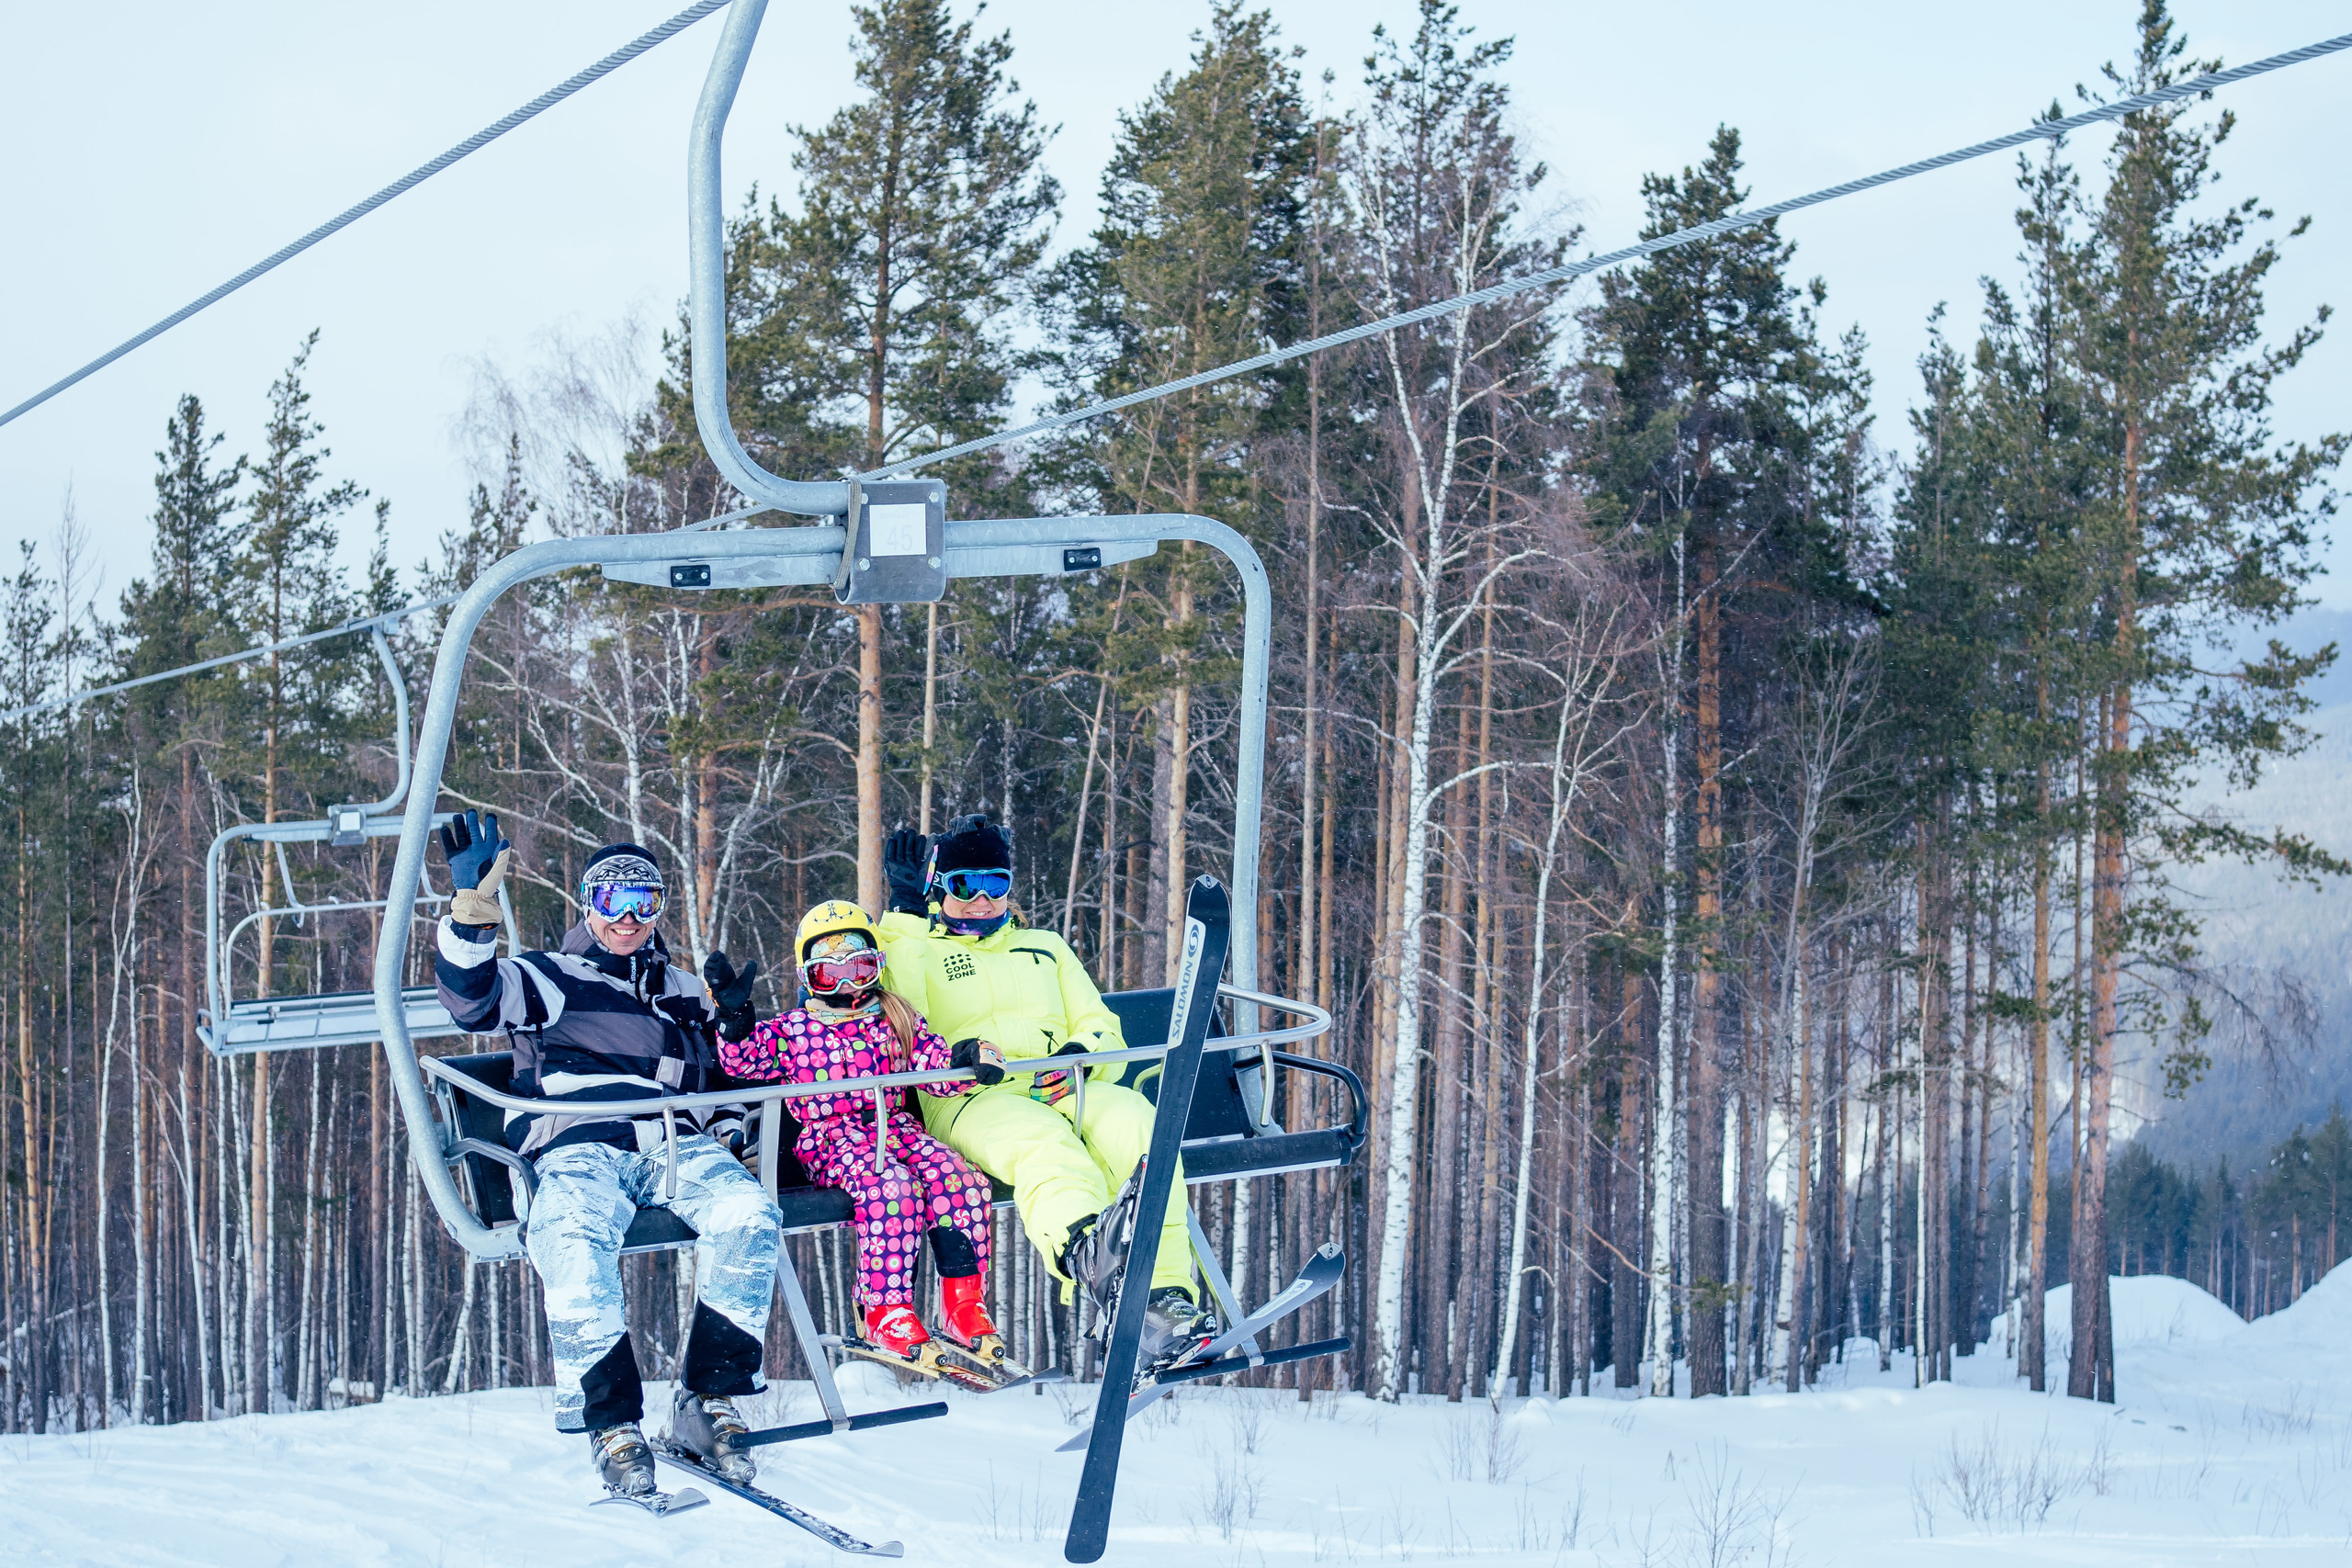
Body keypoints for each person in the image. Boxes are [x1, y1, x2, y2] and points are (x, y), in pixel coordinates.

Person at [433, 812, 778, 1499]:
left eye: (642, 901)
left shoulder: (683, 990)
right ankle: (613, 1424)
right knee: (568, 1231)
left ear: (658, 909)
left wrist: (735, 1110)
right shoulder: (549, 976)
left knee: (750, 1211)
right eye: (612, 900)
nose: (627, 916)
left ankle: (707, 1400)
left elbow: (723, 1077)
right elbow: (470, 1003)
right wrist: (472, 912)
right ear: (588, 905)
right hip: (579, 1147)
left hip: (673, 1143)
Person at [875, 812, 1215, 1371]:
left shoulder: (1045, 946)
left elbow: (1099, 1022)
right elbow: (903, 1019)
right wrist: (905, 913)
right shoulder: (918, 949)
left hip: (1065, 1090)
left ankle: (1165, 1301)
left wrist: (1082, 1055)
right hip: (971, 1099)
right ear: (940, 885)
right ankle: (1089, 1258)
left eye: (996, 885)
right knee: (1044, 1144)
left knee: (1141, 1126)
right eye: (966, 886)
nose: (982, 901)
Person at [711, 900, 1016, 1378]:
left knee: (961, 1181)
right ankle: (884, 1309)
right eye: (832, 976)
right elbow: (743, 1064)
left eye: (860, 969)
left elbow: (934, 1069)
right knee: (891, 1190)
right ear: (809, 977)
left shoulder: (897, 1017)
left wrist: (967, 1061)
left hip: (896, 1127)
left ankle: (962, 1302)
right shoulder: (794, 1029)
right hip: (832, 1137)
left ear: (878, 968)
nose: (849, 985)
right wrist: (735, 1024)